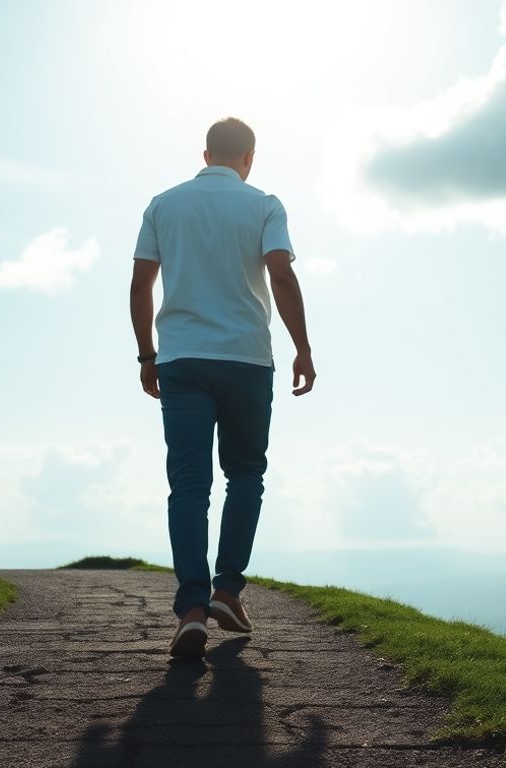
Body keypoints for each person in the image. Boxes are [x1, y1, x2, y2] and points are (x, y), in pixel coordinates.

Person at [131, 117, 316, 659]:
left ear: (205, 153)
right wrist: (303, 347)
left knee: (189, 485)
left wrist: (147, 355)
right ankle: (227, 591)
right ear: (249, 157)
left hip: (182, 359)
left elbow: (141, 284)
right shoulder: (265, 205)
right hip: (246, 360)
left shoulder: (163, 205)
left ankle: (191, 609)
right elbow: (281, 274)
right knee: (245, 475)